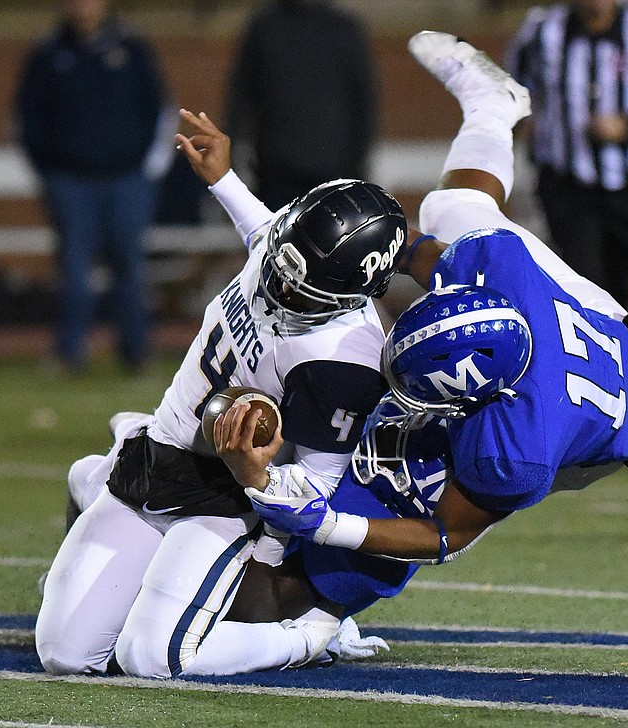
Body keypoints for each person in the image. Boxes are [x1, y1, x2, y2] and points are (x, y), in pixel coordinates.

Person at [241, 32, 628, 566]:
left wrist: (330, 525)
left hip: (612, 421)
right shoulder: (502, 274)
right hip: (600, 326)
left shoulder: (513, 452)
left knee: (418, 476)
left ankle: (321, 613)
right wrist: (369, 251)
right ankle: (494, 109)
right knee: (451, 210)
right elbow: (422, 252)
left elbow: (445, 536)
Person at [34, 108, 408, 678]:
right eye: (283, 268)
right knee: (65, 656)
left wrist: (257, 491)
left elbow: (317, 487)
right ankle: (105, 469)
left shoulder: (345, 362)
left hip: (225, 499)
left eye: (301, 289)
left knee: (155, 658)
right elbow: (264, 235)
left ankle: (311, 638)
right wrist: (224, 180)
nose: (279, 288)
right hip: (158, 456)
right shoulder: (288, 248)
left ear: (351, 292)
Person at [13, 0, 174, 373]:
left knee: (129, 268)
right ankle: (69, 353)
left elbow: (159, 111)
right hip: (70, 182)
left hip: (126, 179)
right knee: (73, 269)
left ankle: (136, 353)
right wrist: (49, 170)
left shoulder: (133, 50)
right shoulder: (48, 53)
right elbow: (27, 117)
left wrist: (145, 170)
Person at [504, 0, 628, 308]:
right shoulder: (545, 32)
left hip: (625, 183)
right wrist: (517, 122)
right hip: (564, 180)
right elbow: (513, 89)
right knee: (585, 277)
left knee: (618, 285)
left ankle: (613, 350)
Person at [225, 0, 378, 210]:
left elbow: (363, 102)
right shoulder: (264, 27)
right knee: (277, 240)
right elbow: (240, 95)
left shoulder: (344, 28)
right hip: (277, 171)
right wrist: (232, 154)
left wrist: (357, 163)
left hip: (333, 172)